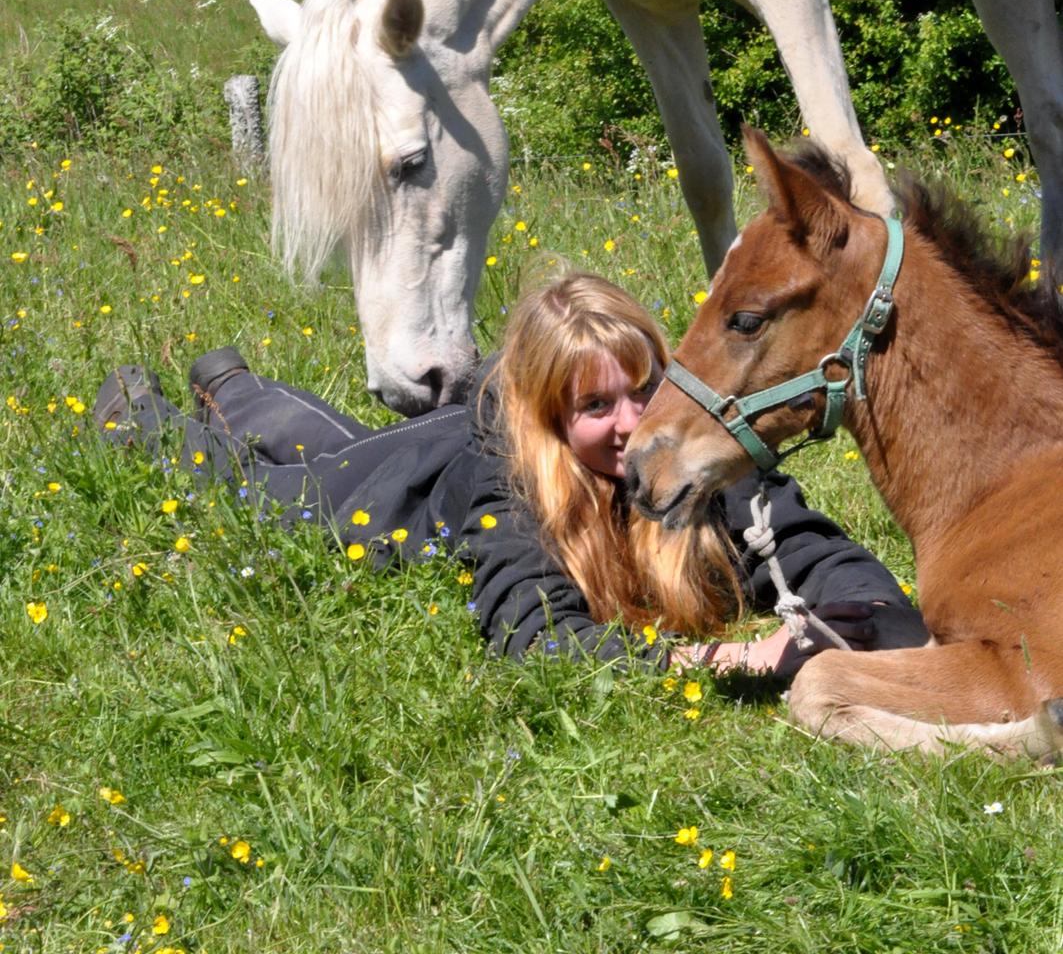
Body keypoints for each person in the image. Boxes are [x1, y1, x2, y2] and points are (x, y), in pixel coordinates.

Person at [94, 272, 927, 675]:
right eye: (597, 407)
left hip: (448, 438)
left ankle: (229, 377)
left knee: (321, 434)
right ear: (549, 418)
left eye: (644, 390)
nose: (632, 422)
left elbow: (815, 548)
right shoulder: (502, 480)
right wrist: (730, 665)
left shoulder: (688, 454)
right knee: (268, 474)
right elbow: (535, 637)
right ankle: (145, 404)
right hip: (395, 492)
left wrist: (861, 626)